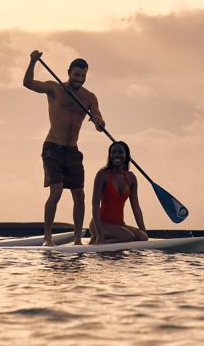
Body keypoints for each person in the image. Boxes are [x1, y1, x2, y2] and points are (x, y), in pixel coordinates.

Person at [23, 50, 106, 245]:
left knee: (79, 195)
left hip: (72, 150)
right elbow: (28, 83)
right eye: (77, 75)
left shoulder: (89, 97)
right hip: (53, 147)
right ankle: (47, 238)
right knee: (57, 191)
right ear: (69, 72)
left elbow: (99, 123)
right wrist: (33, 62)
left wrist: (99, 122)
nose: (80, 79)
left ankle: (77, 240)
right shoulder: (55, 89)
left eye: (83, 76)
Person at [90, 141, 148, 244]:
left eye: (120, 152)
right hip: (100, 224)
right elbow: (95, 205)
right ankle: (97, 241)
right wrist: (99, 234)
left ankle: (110, 240)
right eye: (113, 152)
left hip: (119, 225)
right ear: (110, 156)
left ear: (126, 156)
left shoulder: (131, 178)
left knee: (142, 237)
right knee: (128, 237)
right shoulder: (102, 175)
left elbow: (136, 208)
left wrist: (144, 234)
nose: (116, 155)